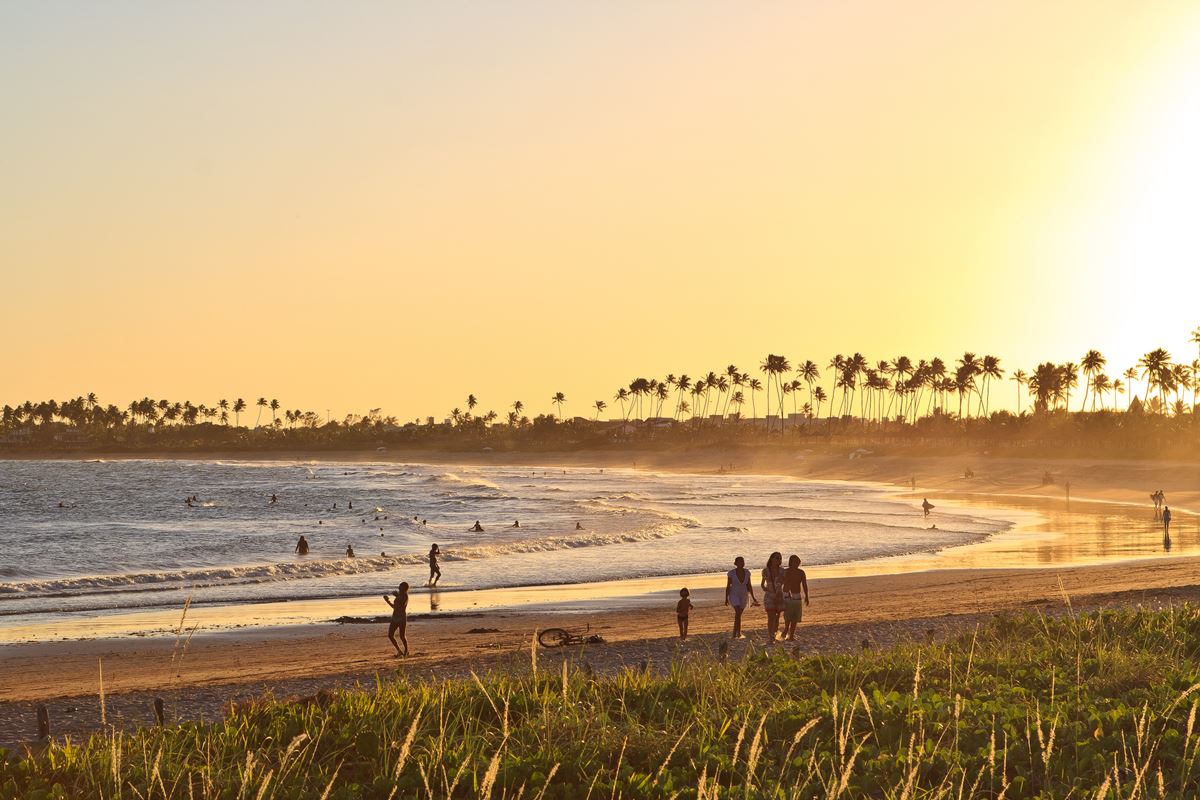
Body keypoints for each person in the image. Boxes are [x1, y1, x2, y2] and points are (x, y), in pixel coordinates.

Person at [725, 556, 758, 639]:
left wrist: (753, 598)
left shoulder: (747, 572)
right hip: (734, 594)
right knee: (737, 612)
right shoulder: (731, 573)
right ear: (735, 563)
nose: (742, 563)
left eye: (743, 561)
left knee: (738, 615)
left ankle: (736, 632)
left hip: (744, 595)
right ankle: (736, 633)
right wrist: (726, 598)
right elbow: (728, 586)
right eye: (739, 561)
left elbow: (749, 585)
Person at [781, 555, 809, 641]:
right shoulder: (785, 572)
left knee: (795, 617)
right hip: (787, 594)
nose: (796, 564)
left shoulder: (801, 572)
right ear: (791, 563)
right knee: (788, 616)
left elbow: (804, 585)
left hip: (797, 595)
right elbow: (780, 583)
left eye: (798, 562)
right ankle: (786, 629)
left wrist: (807, 596)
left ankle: (791, 635)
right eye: (795, 562)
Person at [761, 552, 785, 644]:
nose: (779, 560)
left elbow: (784, 583)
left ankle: (774, 635)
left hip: (779, 596)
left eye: (780, 558)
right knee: (771, 617)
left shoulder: (782, 571)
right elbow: (762, 584)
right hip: (769, 596)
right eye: (777, 558)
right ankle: (771, 637)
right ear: (771, 559)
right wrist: (765, 588)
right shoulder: (765, 571)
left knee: (777, 617)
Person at [383, 582, 409, 656]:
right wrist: (387, 601)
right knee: (390, 635)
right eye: (399, 586)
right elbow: (395, 607)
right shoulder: (400, 596)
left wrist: (396, 596)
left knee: (402, 636)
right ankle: (399, 650)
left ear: (404, 588)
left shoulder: (405, 596)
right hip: (395, 618)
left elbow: (400, 604)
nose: (399, 588)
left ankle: (406, 651)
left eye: (401, 587)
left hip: (401, 618)